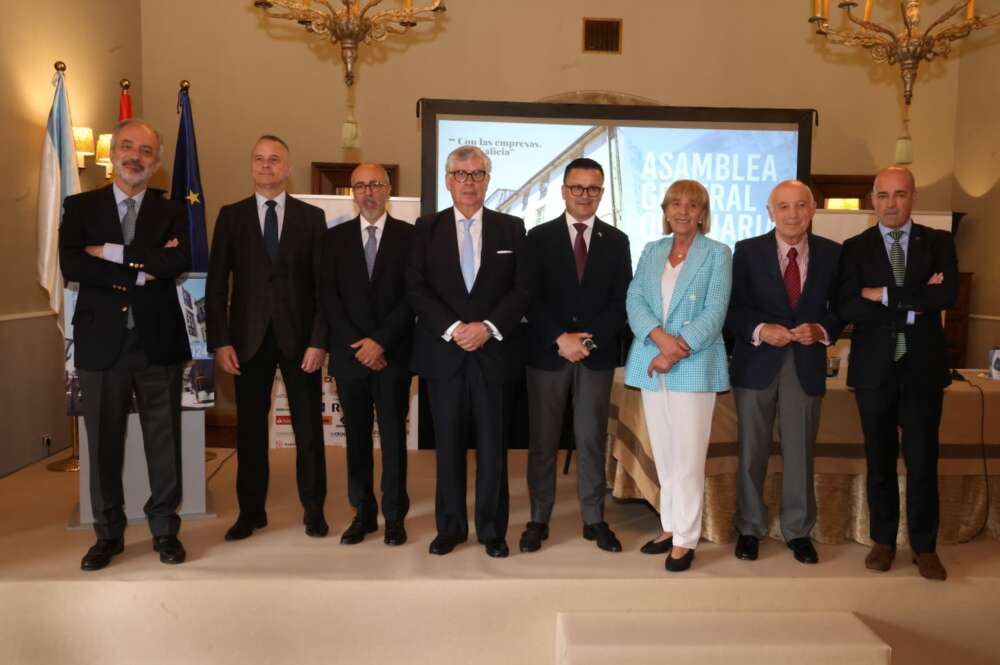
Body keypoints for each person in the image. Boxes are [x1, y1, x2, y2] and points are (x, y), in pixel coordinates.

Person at [59, 118, 191, 570]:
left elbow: (177, 261)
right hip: (102, 344)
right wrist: (141, 271)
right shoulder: (79, 207)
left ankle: (164, 530)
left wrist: (111, 253)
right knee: (102, 445)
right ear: (113, 153)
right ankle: (108, 534)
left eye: (147, 152)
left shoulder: (172, 210)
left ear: (156, 164)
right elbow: (73, 264)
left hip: (157, 341)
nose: (136, 157)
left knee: (164, 442)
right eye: (128, 148)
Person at [406, 144, 530, 558]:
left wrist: (488, 328)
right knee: (448, 449)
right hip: (445, 356)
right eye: (461, 175)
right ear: (448, 181)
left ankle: (493, 530)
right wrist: (456, 328)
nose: (469, 183)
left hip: (494, 355)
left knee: (494, 449)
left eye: (477, 175)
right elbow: (416, 288)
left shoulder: (512, 228)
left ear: (487, 180)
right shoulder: (425, 228)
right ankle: (451, 528)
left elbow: (522, 289)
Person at [837, 166, 958, 580]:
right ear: (872, 200)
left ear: (913, 197)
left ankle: (925, 547)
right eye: (884, 195)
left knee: (923, 461)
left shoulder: (939, 243)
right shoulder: (854, 248)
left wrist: (883, 294)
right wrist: (916, 298)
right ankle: (883, 541)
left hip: (923, 369)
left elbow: (947, 294)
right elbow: (847, 307)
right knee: (880, 460)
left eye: (900, 194)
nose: (892, 203)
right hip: (875, 370)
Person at [206, 135, 329, 541]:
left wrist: (319, 341)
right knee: (250, 433)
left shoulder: (311, 218)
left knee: (309, 431)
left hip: (301, 343)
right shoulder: (231, 215)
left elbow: (323, 288)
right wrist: (220, 341)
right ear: (251, 166)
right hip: (246, 342)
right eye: (259, 159)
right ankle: (250, 512)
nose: (266, 166)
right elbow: (216, 285)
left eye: (274, 159)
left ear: (287, 168)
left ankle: (314, 510)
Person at [726, 180, 843, 565]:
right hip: (757, 362)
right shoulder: (746, 251)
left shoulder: (832, 254)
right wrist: (761, 329)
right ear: (770, 211)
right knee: (751, 451)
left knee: (799, 451)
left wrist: (821, 330)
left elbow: (841, 309)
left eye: (800, 206)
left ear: (812, 210)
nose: (792, 214)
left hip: (806, 363)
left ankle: (798, 531)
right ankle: (749, 527)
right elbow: (732, 309)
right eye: (784, 206)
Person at [520, 158, 632, 554]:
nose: (585, 195)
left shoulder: (617, 241)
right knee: (543, 442)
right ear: (564, 190)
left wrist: (587, 341)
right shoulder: (537, 236)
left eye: (593, 188)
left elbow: (622, 300)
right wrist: (558, 338)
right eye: (577, 187)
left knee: (590, 440)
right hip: (547, 354)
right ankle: (538, 518)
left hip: (594, 356)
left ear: (601, 192)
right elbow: (527, 296)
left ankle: (593, 519)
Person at [624, 179, 731, 572]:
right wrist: (658, 339)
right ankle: (669, 526)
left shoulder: (718, 254)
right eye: (675, 204)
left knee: (687, 458)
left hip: (692, 365)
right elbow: (634, 298)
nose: (683, 210)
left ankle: (686, 538)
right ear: (665, 210)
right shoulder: (652, 251)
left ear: (702, 213)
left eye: (692, 204)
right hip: (653, 361)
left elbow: (715, 310)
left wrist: (676, 350)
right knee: (666, 455)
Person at [321, 163, 413, 546]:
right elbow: (328, 299)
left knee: (393, 438)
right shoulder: (334, 239)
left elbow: (414, 297)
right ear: (353, 193)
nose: (368, 192)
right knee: (355, 437)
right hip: (350, 356)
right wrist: (359, 346)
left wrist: (381, 342)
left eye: (375, 184)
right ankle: (363, 513)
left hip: (394, 355)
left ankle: (394, 515)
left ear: (388, 187)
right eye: (360, 186)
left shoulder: (412, 237)